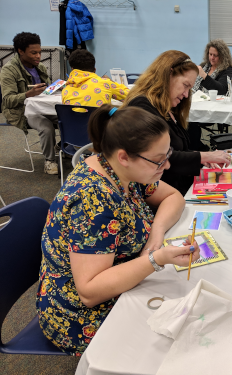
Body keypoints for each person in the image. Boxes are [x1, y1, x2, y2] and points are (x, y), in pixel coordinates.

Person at [36, 104, 200, 355]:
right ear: (124, 156)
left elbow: (174, 197)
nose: (166, 166)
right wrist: (156, 259)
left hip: (115, 279)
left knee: (192, 305)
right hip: (78, 315)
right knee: (186, 334)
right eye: (159, 160)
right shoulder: (93, 199)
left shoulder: (119, 168)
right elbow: (90, 292)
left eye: (168, 155)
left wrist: (156, 234)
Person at [122, 50, 231, 196]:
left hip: (177, 186)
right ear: (168, 74)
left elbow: (175, 150)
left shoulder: (167, 108)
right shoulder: (142, 107)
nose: (186, 94)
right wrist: (205, 157)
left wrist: (202, 157)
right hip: (159, 193)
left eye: (189, 88)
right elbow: (161, 158)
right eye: (185, 85)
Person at [0, 32, 59, 174]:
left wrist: (55, 89)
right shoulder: (9, 70)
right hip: (23, 111)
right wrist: (28, 94)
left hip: (43, 107)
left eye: (39, 52)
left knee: (70, 117)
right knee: (46, 127)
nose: (38, 56)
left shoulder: (41, 67)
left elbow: (46, 92)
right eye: (33, 53)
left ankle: (63, 147)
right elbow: (7, 101)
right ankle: (49, 161)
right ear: (20, 51)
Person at [188, 39, 232, 151]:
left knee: (190, 122)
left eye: (216, 55)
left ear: (223, 56)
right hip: (195, 104)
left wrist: (204, 76)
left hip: (211, 110)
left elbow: (221, 90)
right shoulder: (204, 66)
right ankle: (191, 146)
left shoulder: (227, 70)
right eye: (210, 54)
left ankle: (197, 146)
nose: (212, 58)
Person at [62, 49, 129, 106]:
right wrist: (111, 82)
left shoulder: (65, 90)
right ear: (94, 70)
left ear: (72, 69)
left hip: (73, 121)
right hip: (99, 121)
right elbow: (132, 96)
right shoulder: (105, 83)